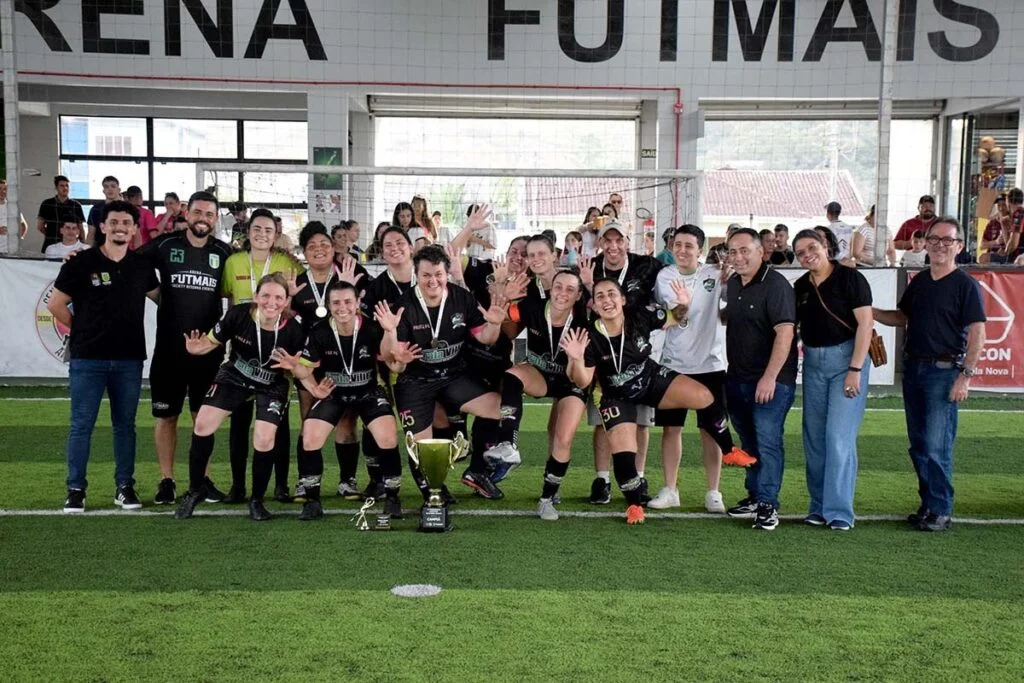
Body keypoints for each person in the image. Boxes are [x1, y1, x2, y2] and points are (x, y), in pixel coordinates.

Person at [564, 278, 714, 525]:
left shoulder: (637, 317)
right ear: (594, 305)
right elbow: (582, 382)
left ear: (622, 299)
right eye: (600, 296)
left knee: (703, 396)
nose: (606, 300)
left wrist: (684, 304)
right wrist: (577, 359)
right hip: (613, 395)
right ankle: (634, 505)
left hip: (645, 382)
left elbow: (673, 317)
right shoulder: (589, 335)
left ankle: (730, 452)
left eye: (612, 294)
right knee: (624, 455)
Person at [873, 218, 985, 532]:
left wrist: (965, 376)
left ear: (959, 246)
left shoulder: (965, 285)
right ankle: (928, 504)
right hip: (914, 369)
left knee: (937, 445)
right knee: (919, 445)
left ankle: (940, 509)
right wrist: (871, 313)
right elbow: (902, 317)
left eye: (947, 240)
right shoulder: (920, 281)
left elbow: (978, 333)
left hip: (944, 372)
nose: (939, 245)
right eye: (934, 239)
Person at [47, 200, 159, 513]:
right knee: (81, 426)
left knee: (125, 426)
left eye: (126, 223)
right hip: (88, 359)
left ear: (134, 230)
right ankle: (75, 489)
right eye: (114, 222)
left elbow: (162, 299)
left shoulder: (141, 266)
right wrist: (82, 329)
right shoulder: (81, 262)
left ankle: (124, 487)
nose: (120, 227)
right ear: (103, 227)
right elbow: (55, 304)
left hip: (129, 360)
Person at [379, 245, 512, 500]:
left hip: (453, 375)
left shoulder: (462, 298)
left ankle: (478, 469)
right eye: (426, 275)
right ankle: (432, 493)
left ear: (446, 273)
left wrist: (494, 324)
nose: (433, 281)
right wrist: (391, 336)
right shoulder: (404, 305)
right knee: (421, 446)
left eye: (438, 274)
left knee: (501, 409)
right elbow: (393, 359)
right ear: (416, 275)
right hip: (415, 381)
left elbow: (485, 338)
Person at [280, 281, 416, 521]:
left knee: (387, 436)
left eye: (347, 302)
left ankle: (392, 497)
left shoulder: (372, 328)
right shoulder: (319, 331)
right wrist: (300, 372)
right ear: (328, 305)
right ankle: (312, 500)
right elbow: (305, 370)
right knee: (310, 436)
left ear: (357, 304)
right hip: (334, 392)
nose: (342, 307)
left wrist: (390, 332)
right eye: (336, 303)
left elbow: (389, 359)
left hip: (368, 392)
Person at [175, 273, 306, 521]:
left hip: (272, 383)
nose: (271, 302)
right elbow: (210, 342)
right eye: (266, 295)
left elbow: (303, 371)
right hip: (235, 375)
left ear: (286, 301)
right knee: (202, 424)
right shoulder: (238, 314)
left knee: (264, 439)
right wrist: (196, 349)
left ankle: (256, 500)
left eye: (278, 297)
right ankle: (195, 490)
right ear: (256, 296)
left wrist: (298, 369)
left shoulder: (294, 330)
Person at [137, 190, 232, 506]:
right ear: (186, 214)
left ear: (215, 219)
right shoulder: (166, 245)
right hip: (169, 350)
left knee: (203, 416)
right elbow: (133, 261)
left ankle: (202, 480)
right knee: (167, 416)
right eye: (198, 212)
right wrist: (156, 294)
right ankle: (167, 480)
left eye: (209, 214)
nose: (203, 219)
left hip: (208, 352)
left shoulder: (224, 252)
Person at [651, 225, 754, 513]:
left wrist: (728, 280)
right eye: (678, 245)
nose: (682, 250)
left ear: (700, 249)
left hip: (711, 364)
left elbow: (728, 309)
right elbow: (674, 316)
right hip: (673, 363)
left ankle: (713, 491)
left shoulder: (715, 273)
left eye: (689, 246)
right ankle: (670, 489)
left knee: (711, 429)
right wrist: (683, 304)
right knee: (671, 429)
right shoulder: (665, 277)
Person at [792, 229, 873, 531]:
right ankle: (818, 506)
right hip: (813, 363)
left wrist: (855, 369)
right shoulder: (801, 286)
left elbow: (865, 324)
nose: (807, 255)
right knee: (814, 438)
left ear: (825, 246)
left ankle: (839, 511)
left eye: (812, 247)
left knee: (838, 437)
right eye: (800, 253)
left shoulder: (851, 278)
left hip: (846, 361)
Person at [220, 209, 301, 503]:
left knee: (278, 422)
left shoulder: (288, 262)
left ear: (276, 234)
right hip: (242, 353)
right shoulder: (233, 262)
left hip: (277, 354)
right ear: (248, 231)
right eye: (257, 228)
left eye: (268, 230)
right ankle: (238, 486)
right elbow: (229, 300)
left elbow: (298, 299)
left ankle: (280, 485)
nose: (262, 234)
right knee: (239, 422)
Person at [578, 220, 661, 505]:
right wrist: (587, 286)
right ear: (600, 243)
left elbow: (679, 275)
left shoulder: (647, 265)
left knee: (641, 421)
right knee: (604, 421)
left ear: (627, 241)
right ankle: (602, 479)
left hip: (637, 355)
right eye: (607, 240)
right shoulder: (589, 267)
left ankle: (638, 477)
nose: (613, 246)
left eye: (619, 240)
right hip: (603, 355)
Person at [721, 228, 799, 531]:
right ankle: (755, 496)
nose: (738, 257)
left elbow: (785, 333)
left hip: (770, 382)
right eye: (733, 251)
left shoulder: (777, 285)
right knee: (749, 441)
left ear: (761, 252)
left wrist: (769, 378)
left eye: (745, 250)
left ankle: (768, 504)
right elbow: (732, 318)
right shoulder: (733, 284)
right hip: (737, 378)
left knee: (768, 442)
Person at [498, 270, 590, 520]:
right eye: (558, 287)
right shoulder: (532, 307)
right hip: (540, 374)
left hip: (571, 381)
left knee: (563, 438)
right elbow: (506, 317)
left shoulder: (583, 323)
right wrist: (506, 299)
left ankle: (548, 498)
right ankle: (508, 444)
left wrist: (576, 358)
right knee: (512, 375)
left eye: (570, 289)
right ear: (551, 289)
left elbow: (580, 379)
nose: (562, 293)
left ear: (578, 295)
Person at [290, 222, 365, 500]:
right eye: (312, 246)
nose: (319, 249)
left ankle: (347, 481)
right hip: (309, 361)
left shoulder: (350, 273)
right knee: (309, 419)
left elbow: (364, 312)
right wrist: (288, 301)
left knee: (346, 420)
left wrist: (351, 286)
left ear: (333, 248)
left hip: (344, 361)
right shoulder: (297, 283)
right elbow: (285, 319)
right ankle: (306, 480)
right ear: (304, 252)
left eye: (324, 244)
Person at [37, 175, 85, 253]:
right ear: (56, 188)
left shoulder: (76, 205)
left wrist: (82, 243)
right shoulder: (47, 204)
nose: (65, 188)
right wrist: (50, 234)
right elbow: (40, 227)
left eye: (67, 185)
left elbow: (80, 228)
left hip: (71, 246)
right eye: (62, 186)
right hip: (51, 243)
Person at [85, 176, 121, 248]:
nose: (110, 189)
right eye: (106, 187)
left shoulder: (128, 209)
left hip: (122, 250)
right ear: (103, 191)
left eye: (113, 186)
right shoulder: (96, 209)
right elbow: (91, 235)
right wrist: (86, 252)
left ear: (119, 189)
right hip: (100, 249)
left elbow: (136, 235)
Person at [0, 179, 29, 254]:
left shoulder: (13, 207)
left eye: (5, 189)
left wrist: (19, 240)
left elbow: (24, 226)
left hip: (10, 252)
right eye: (0, 188)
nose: (2, 191)